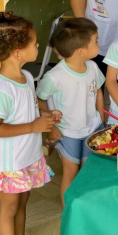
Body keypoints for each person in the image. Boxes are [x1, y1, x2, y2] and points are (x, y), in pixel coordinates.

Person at [0, 12, 57, 235]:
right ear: (17, 51)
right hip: (9, 162)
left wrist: (43, 115)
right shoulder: (1, 89)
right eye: (34, 42)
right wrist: (33, 126)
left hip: (27, 155)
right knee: (9, 208)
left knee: (23, 202)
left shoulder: (25, 76)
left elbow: (27, 105)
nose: (38, 46)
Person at [36, 18, 103, 205]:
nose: (99, 43)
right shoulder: (54, 77)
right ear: (81, 52)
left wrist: (101, 119)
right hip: (68, 131)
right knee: (71, 171)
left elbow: (98, 90)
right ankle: (68, 211)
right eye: (96, 40)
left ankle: (83, 206)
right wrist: (50, 128)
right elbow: (40, 100)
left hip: (92, 127)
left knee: (88, 168)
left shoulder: (93, 67)